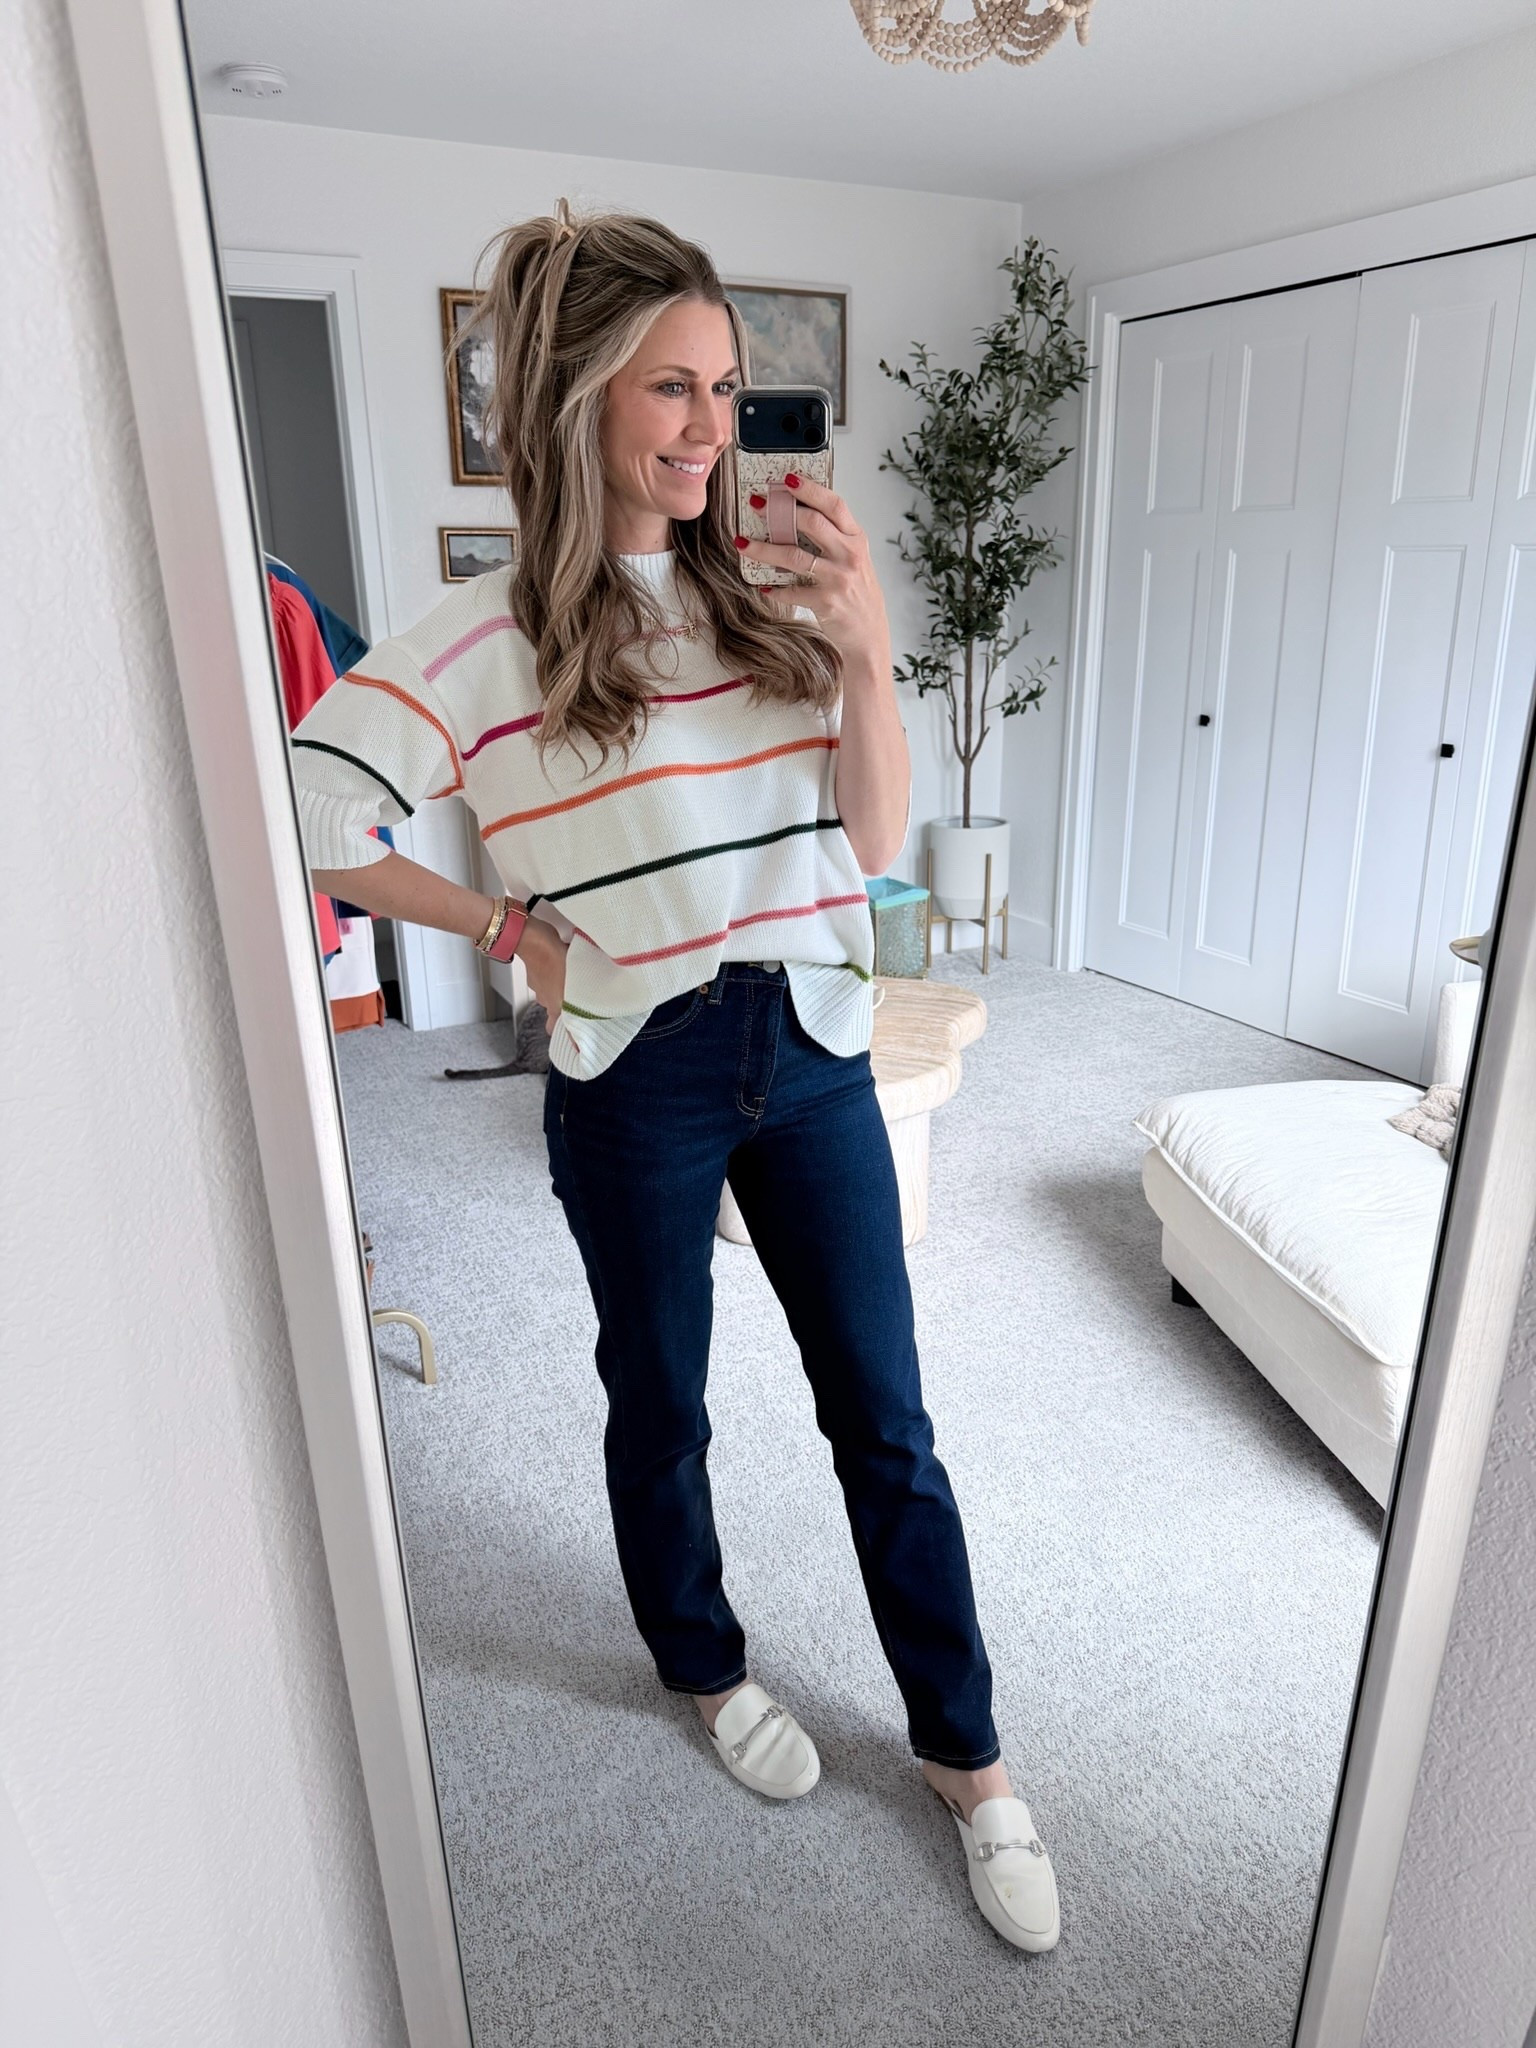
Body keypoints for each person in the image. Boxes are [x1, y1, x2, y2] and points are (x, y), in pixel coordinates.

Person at [289, 200, 1058, 1953]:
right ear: (579, 402)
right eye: (673, 390)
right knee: (660, 1398)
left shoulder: (779, 588)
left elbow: (874, 841)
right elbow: (316, 814)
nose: (713, 428)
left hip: (818, 1046)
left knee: (888, 1419)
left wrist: (865, 641)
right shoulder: (481, 641)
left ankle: (968, 1755)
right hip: (632, 1066)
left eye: (726, 389)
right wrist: (508, 925)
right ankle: (704, 1668)